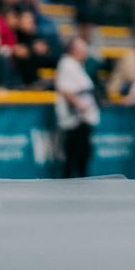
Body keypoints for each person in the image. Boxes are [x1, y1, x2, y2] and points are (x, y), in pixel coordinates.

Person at [54, 35, 100, 178]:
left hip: (83, 118)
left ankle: (80, 178)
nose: (85, 53)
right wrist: (81, 106)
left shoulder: (78, 65)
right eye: (82, 49)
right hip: (76, 119)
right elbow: (66, 89)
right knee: (75, 154)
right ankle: (72, 181)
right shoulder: (67, 64)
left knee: (83, 153)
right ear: (73, 50)